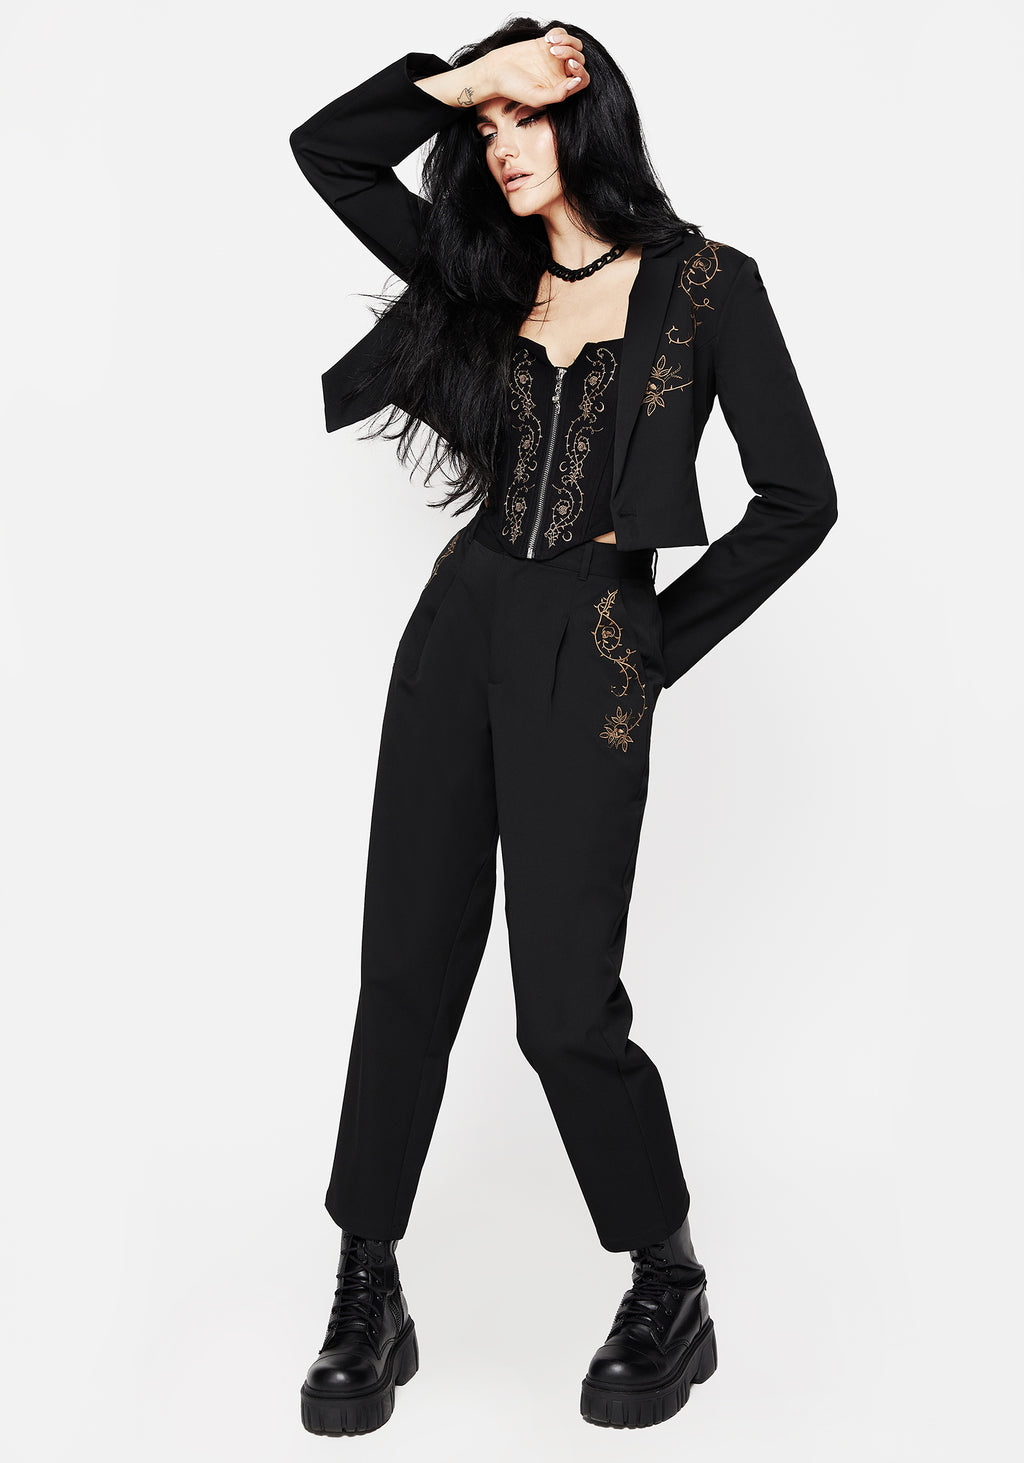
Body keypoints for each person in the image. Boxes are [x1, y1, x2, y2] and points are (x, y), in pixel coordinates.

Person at [288, 18, 837, 1436]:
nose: (500, 147)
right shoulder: (480, 271)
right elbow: (328, 152)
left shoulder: (708, 285)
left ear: (586, 116)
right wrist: (462, 81)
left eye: (525, 116)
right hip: (458, 625)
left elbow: (799, 498)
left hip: (590, 642)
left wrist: (651, 646)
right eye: (485, 130)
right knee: (405, 970)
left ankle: (668, 1277)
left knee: (563, 1011)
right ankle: (368, 1281)